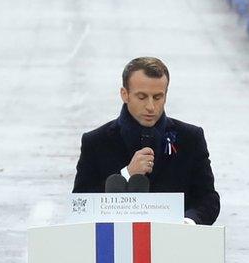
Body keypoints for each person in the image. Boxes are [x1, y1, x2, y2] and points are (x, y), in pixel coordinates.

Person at [72, 56, 220, 225]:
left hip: (175, 244)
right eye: (142, 97)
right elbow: (80, 205)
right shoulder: (96, 142)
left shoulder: (191, 138)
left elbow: (208, 198)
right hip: (115, 244)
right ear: (125, 94)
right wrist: (126, 175)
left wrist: (188, 222)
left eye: (157, 97)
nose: (151, 106)